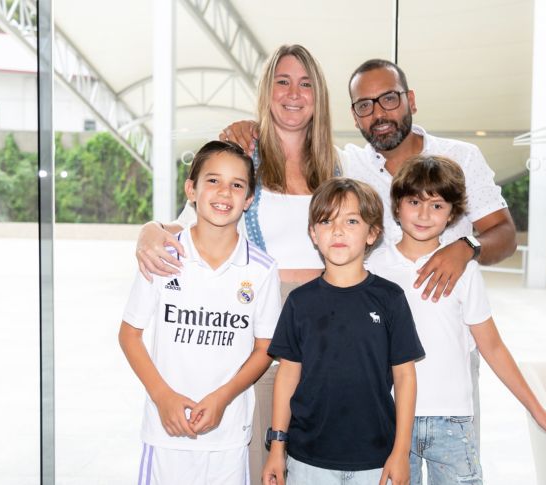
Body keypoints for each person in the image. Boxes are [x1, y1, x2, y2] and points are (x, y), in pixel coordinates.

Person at [218, 58, 519, 451]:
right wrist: (251, 128)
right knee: (383, 465)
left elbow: (505, 235)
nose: (379, 113)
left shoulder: (460, 157)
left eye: (389, 99)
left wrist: (465, 248)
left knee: (455, 466)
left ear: (411, 99)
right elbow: (290, 145)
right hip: (374, 353)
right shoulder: (349, 165)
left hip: (449, 355)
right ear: (354, 116)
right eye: (365, 105)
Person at [135, 44, 339, 479]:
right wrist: (150, 228)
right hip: (259, 324)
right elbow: (186, 223)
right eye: (282, 81)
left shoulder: (337, 165)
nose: (293, 93)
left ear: (318, 95)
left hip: (325, 322)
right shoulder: (243, 157)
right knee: (260, 458)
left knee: (321, 460)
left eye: (305, 84)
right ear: (266, 91)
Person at [366, 155, 546, 484]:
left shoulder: (464, 270)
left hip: (452, 421)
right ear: (396, 206)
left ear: (452, 214)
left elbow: (492, 347)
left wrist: (538, 411)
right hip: (389, 418)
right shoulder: (373, 268)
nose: (424, 214)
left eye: (437, 205)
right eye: (414, 202)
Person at [118, 141, 282, 484]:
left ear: (249, 199)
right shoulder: (162, 256)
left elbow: (265, 347)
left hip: (228, 436)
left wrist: (223, 397)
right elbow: (129, 334)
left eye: (237, 184)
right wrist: (162, 396)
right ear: (191, 189)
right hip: (165, 433)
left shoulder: (263, 270)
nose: (224, 192)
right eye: (213, 180)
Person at [262, 178, 425, 485]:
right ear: (313, 233)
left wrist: (401, 452)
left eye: (351, 221)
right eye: (326, 221)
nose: (337, 231)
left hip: (376, 460)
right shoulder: (299, 302)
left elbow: (405, 377)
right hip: (307, 460)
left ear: (372, 233)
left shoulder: (390, 299)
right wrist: (277, 448)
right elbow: (287, 375)